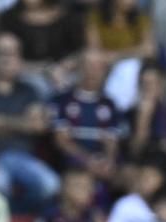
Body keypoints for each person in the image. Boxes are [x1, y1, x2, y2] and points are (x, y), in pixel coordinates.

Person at [0, 33, 61, 207]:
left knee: (51, 185)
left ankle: (19, 214)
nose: (6, 59)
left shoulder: (29, 90)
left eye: (12, 54)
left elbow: (39, 126)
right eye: (1, 53)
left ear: (20, 59)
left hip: (24, 158)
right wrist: (21, 123)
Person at [52, 50, 121, 185]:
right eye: (89, 66)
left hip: (101, 164)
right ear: (78, 69)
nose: (93, 71)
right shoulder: (62, 100)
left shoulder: (109, 104)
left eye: (98, 67)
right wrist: (87, 160)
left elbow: (111, 140)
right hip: (74, 164)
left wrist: (109, 160)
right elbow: (61, 141)